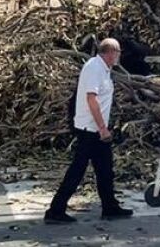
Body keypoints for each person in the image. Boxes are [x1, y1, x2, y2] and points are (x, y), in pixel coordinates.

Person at [45, 38, 135, 224]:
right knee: (77, 170)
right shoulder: (95, 68)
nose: (119, 56)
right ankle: (55, 210)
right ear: (110, 52)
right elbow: (91, 99)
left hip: (95, 128)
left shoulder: (102, 68)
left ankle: (110, 206)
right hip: (90, 129)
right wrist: (102, 128)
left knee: (105, 169)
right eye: (117, 52)